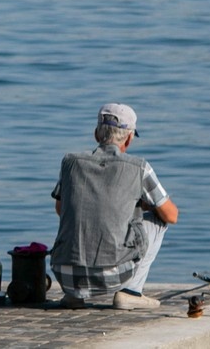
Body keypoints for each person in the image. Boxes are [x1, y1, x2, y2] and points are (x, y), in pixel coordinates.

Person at [51, 102, 178, 310]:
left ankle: (74, 296)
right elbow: (172, 215)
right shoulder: (139, 167)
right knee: (159, 220)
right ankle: (131, 292)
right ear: (128, 138)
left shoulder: (70, 163)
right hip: (114, 275)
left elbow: (60, 210)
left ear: (96, 134)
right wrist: (140, 208)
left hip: (64, 274)